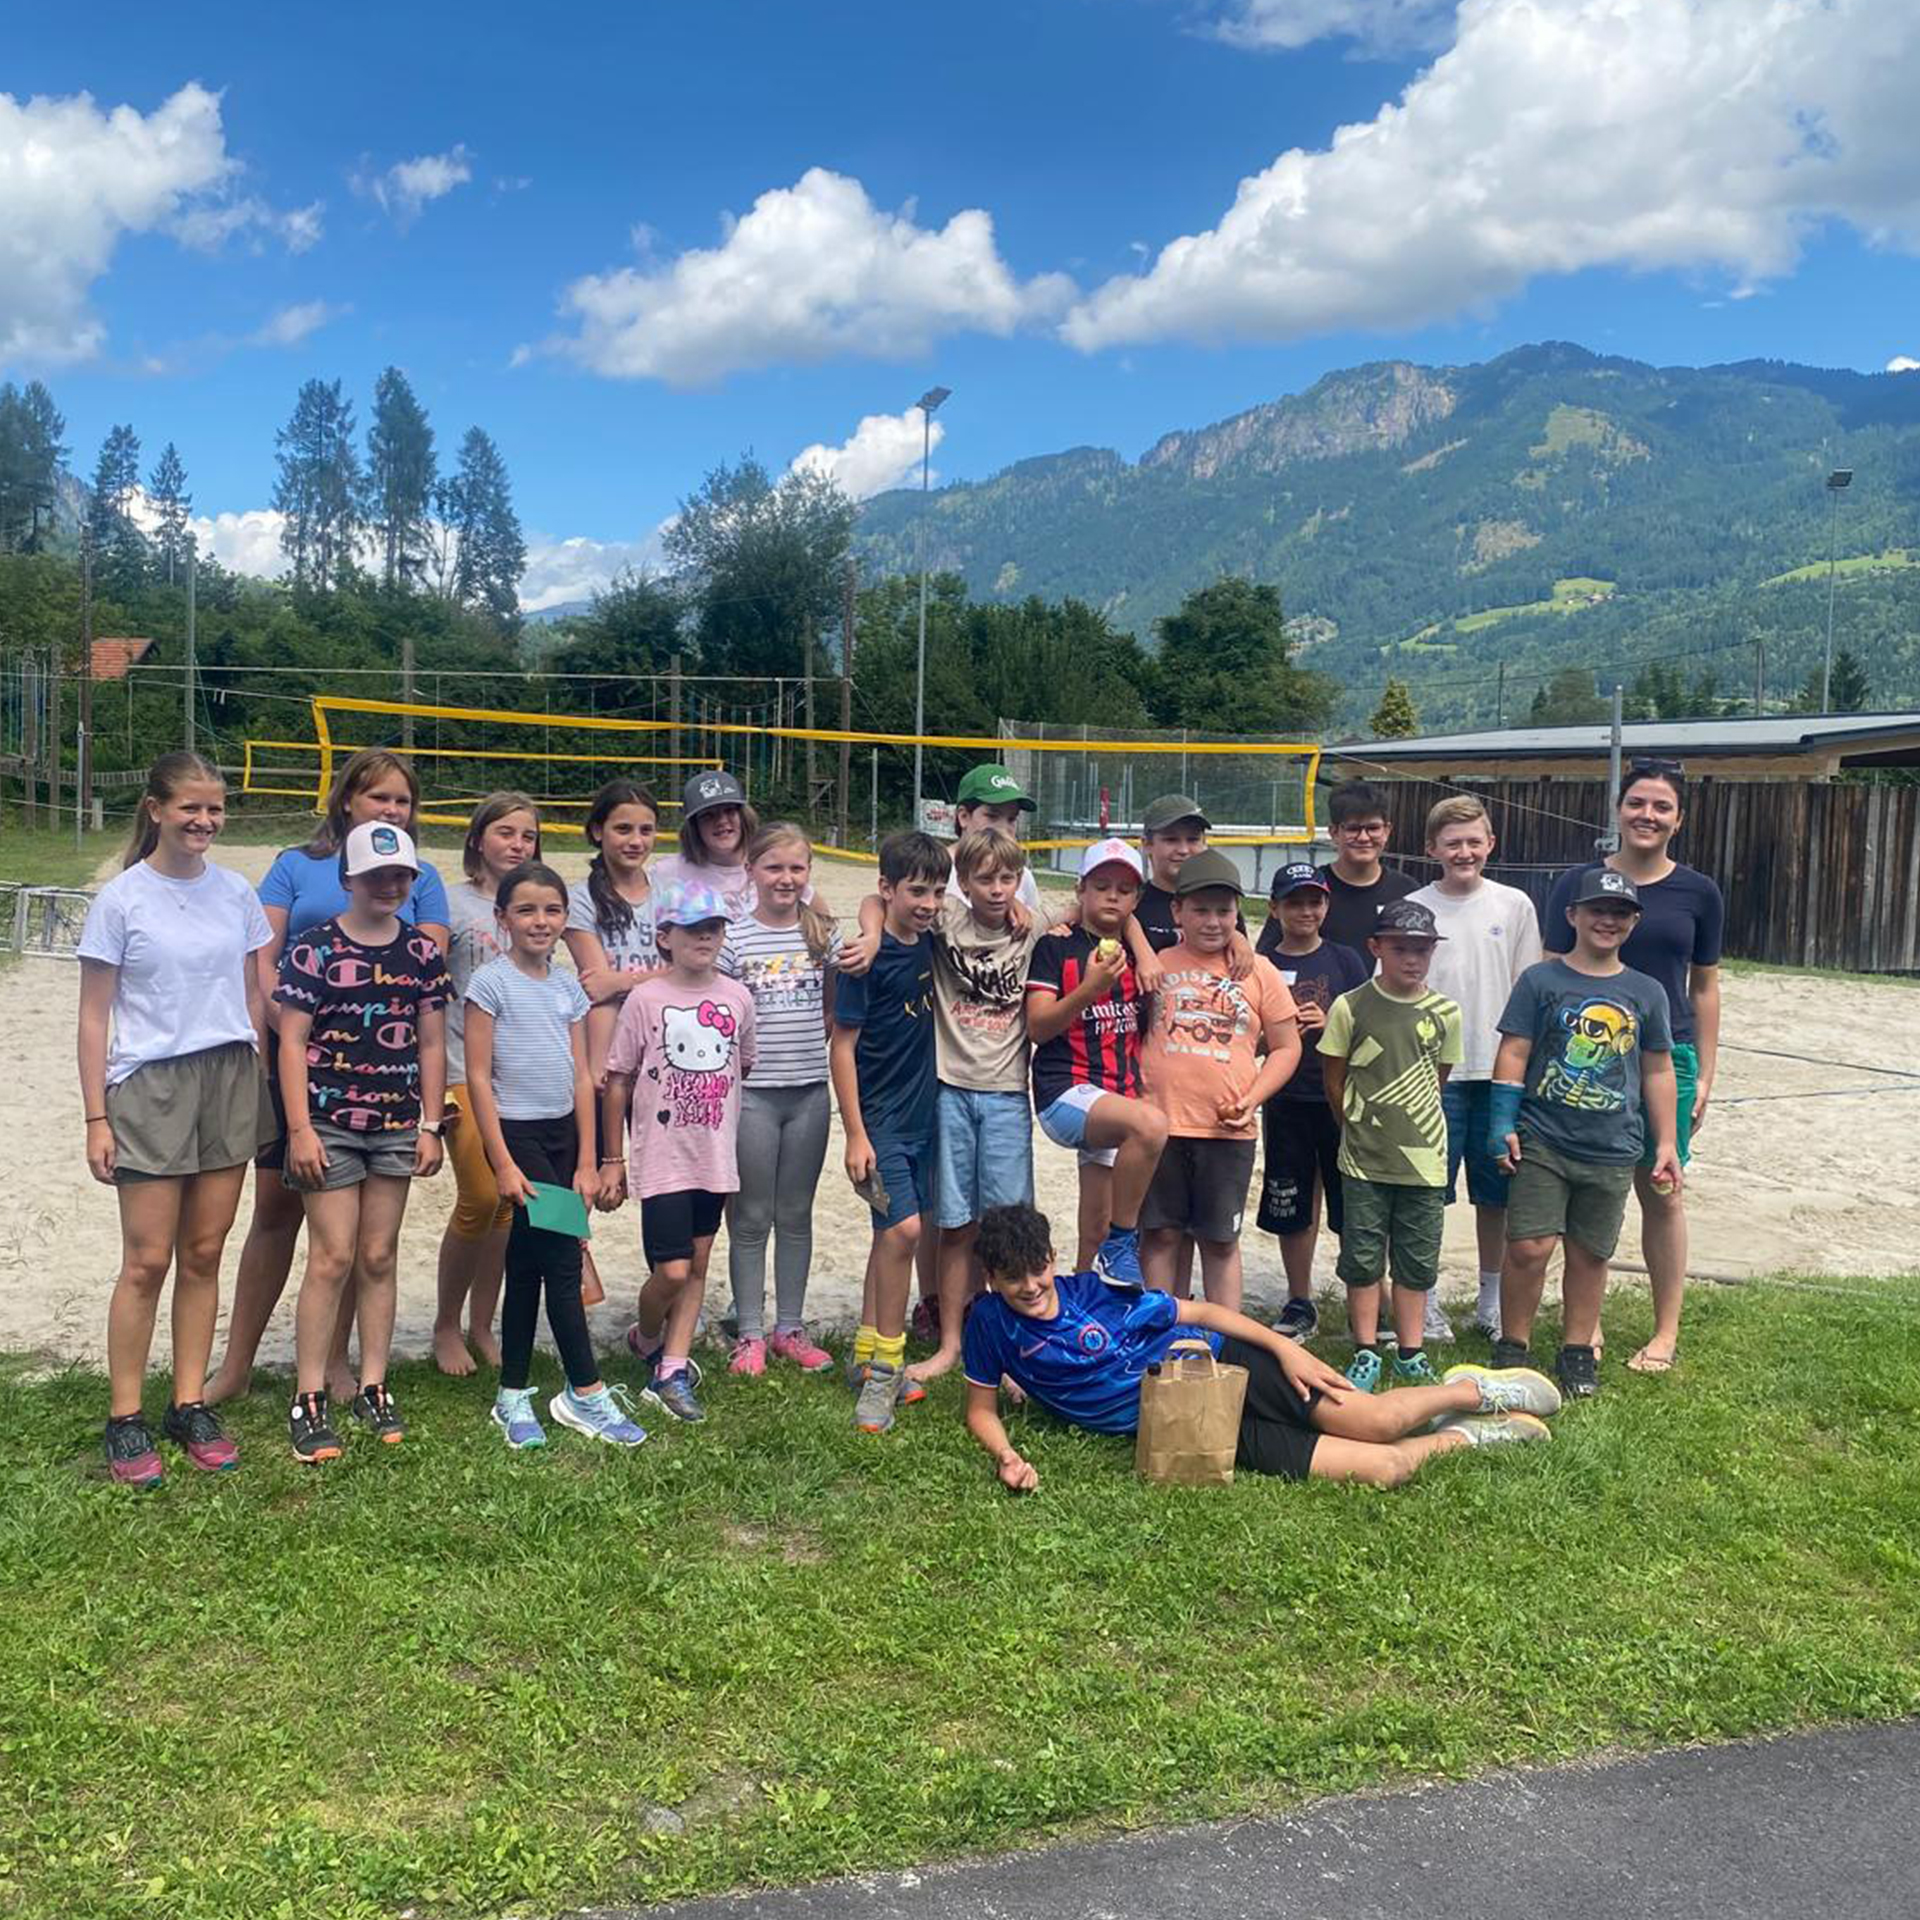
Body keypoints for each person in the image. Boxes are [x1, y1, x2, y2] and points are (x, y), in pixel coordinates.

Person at [962, 1203, 1561, 1493]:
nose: (1031, 1287)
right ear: (990, 1279)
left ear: (1052, 1259)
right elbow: (979, 1410)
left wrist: (1285, 1348)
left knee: (1377, 1422)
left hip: (1228, 1363)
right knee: (1385, 1468)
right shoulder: (990, 1324)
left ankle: (1472, 1390)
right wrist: (1006, 1455)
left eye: (1038, 1270)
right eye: (1013, 1279)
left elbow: (1202, 1312)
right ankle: (1469, 1434)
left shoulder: (1097, 1294)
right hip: (1190, 1422)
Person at [208, 748, 450, 1407]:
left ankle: (339, 1364)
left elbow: (417, 983)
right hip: (297, 1061)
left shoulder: (421, 874)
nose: (391, 809)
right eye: (379, 797)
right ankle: (237, 1362)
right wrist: (286, 1028)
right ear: (347, 799)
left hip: (378, 1079)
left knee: (358, 1236)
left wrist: (429, 1119)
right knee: (274, 1213)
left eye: (402, 800)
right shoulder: (295, 864)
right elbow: (264, 957)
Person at [77, 753, 273, 1486]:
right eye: (190, 807)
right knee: (146, 1260)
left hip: (228, 1076)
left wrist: (259, 1069)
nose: (204, 821)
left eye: (214, 808)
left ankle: (188, 1404)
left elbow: (253, 991)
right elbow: (93, 1016)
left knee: (204, 1252)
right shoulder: (122, 899)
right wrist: (96, 1116)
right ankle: (125, 1416)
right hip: (149, 1084)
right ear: (155, 809)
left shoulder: (235, 892)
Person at [276, 822, 449, 1463]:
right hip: (327, 1122)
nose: (389, 886)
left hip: (397, 1123)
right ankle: (309, 1395)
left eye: (400, 875)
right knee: (331, 1256)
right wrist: (298, 1128)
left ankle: (374, 1384)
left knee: (379, 1254)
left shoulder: (422, 952)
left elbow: (432, 1042)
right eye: (376, 876)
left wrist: (431, 1124)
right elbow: (292, 1041)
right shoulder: (313, 949)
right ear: (348, 879)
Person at [1541, 761, 1722, 1373]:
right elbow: (1550, 976)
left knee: (1662, 1190)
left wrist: (1707, 1075)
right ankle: (1584, 1324)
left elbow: (1704, 988)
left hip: (1666, 1056)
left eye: (1662, 806)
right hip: (1586, 1054)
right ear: (1618, 809)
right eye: (1637, 802)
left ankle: (1665, 1331)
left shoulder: (1698, 892)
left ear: (1679, 819)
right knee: (1583, 1185)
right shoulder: (1577, 883)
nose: (1648, 815)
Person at [462, 861, 647, 1450]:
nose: (540, 921)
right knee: (564, 1260)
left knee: (527, 1264)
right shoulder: (489, 984)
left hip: (565, 1137)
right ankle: (584, 1391)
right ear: (503, 918)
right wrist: (502, 1162)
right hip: (517, 1138)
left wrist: (588, 1159)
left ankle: (512, 1393)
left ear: (565, 919)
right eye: (526, 910)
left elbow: (583, 1077)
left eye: (551, 910)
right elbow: (479, 1077)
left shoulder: (568, 988)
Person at [1489, 870, 1682, 1400]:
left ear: (1634, 922)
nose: (1607, 920)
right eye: (1597, 909)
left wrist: (1666, 1142)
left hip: (1613, 1146)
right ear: (1572, 915)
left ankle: (1576, 1349)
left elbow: (1658, 1069)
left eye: (1620, 912)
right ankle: (1513, 1345)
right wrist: (1501, 1122)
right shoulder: (1540, 981)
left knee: (1590, 1253)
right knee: (1529, 1246)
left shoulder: (1647, 992)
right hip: (1542, 1138)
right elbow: (1514, 1051)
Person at [905, 826, 1075, 1383]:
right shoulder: (947, 918)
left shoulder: (1033, 924)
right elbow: (880, 896)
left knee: (1009, 1228)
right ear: (963, 880)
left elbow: (1098, 902)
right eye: (985, 879)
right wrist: (969, 843)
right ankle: (951, 1343)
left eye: (1007, 878)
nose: (998, 890)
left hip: (1005, 1095)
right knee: (955, 1225)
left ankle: (1014, 1348)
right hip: (949, 1089)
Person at [601, 880, 757, 1426]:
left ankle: (672, 1367)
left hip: (713, 1156)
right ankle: (647, 1335)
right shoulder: (645, 999)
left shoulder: (737, 997)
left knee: (698, 1265)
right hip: (662, 1157)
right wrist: (613, 1158)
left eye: (713, 928)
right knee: (670, 1271)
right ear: (665, 936)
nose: (705, 937)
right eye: (693, 929)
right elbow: (617, 1079)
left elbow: (742, 1064)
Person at [1137, 849, 1301, 1311]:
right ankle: (1162, 1332)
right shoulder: (1156, 963)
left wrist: (1253, 1098)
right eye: (1200, 910)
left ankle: (1226, 1337)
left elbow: (1287, 1047)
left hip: (1228, 1129)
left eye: (1224, 911)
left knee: (1220, 1241)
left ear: (1237, 913)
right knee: (1161, 1234)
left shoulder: (1258, 970)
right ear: (1177, 911)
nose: (1212, 922)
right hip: (1159, 1124)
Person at [1408, 795, 1543, 1343]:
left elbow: (1529, 988)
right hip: (1430, 1074)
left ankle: (1491, 1300)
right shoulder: (1414, 907)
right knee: (1427, 1194)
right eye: (1452, 843)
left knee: (1496, 1194)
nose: (1463, 852)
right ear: (1431, 849)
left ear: (1491, 843)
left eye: (1473, 841)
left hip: (1497, 1073)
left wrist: (1523, 1072)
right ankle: (1425, 1299)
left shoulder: (1514, 905)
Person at [1318, 900, 1464, 1392]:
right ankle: (1365, 1347)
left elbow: (1437, 1078)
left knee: (1416, 1260)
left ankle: (1410, 1351)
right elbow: (1334, 1077)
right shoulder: (1350, 1006)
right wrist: (1356, 1126)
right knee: (1362, 1256)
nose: (1412, 959)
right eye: (1400, 949)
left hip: (1424, 1160)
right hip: (1363, 1157)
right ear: (1376, 947)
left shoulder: (1446, 1013)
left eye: (1422, 950)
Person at [830, 830, 948, 1433]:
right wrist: (855, 1133)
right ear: (888, 888)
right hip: (879, 1122)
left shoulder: (928, 941)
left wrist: (877, 923)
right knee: (904, 1231)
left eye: (936, 892)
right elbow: (841, 1048)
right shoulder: (862, 959)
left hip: (925, 1115)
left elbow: (877, 905)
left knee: (890, 1236)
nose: (928, 903)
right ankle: (887, 1372)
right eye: (917, 891)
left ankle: (865, 1351)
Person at [719, 823, 838, 1378]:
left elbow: (834, 1002)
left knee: (795, 1213)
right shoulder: (734, 940)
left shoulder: (822, 936)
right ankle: (749, 1332)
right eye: (773, 867)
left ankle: (789, 1327)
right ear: (751, 872)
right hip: (753, 1097)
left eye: (796, 868)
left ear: (808, 872)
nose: (785, 878)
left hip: (809, 1092)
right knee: (751, 1217)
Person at [1025, 838, 1169, 1286]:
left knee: (1095, 1227)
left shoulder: (1141, 951)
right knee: (1150, 1126)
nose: (1112, 897)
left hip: (1116, 1092)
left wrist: (1239, 940)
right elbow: (1038, 1028)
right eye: (1101, 886)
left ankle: (1088, 1302)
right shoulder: (1057, 946)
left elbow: (1207, 931)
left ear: (1137, 900)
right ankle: (1124, 1242)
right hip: (1065, 1090)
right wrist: (1089, 989)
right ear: (1080, 890)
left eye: (1124, 890)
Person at [432, 793, 541, 1377]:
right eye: (505, 832)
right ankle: (446, 1324)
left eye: (528, 835)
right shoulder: (450, 903)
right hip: (458, 1069)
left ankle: (481, 1324)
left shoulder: (535, 903)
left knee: (507, 1204)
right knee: (478, 1196)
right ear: (477, 838)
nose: (517, 844)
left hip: (517, 1075)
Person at [1254, 863, 1369, 1340]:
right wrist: (1275, 1035)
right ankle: (1299, 1298)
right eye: (1294, 902)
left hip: (1339, 1097)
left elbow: (1370, 1026)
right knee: (1293, 1202)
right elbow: (1246, 1035)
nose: (1306, 911)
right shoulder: (1259, 962)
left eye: (1314, 901)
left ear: (1327, 905)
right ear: (1274, 908)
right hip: (1286, 1098)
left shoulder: (1345, 960)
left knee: (1351, 1202)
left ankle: (1365, 1296)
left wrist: (1331, 1024)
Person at [564, 779, 662, 1101]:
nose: (636, 841)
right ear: (597, 831)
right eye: (623, 829)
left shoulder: (670, 894)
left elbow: (687, 974)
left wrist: (621, 980)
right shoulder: (580, 899)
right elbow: (599, 988)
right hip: (608, 1043)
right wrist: (661, 975)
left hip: (664, 1038)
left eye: (646, 831)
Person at [1316, 779, 1418, 953]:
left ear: (1387, 831)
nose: (1363, 838)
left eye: (1373, 828)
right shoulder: (1310, 890)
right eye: (1353, 828)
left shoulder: (1408, 892)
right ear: (1334, 832)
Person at [648, 769, 758, 920]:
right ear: (694, 827)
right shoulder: (666, 873)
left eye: (729, 811)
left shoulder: (771, 867)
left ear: (743, 816)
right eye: (708, 815)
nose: (722, 821)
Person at [946, 764, 1043, 911]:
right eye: (992, 816)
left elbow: (1033, 920)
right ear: (963, 817)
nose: (1003, 829)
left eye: (1011, 819)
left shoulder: (1022, 875)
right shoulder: (933, 870)